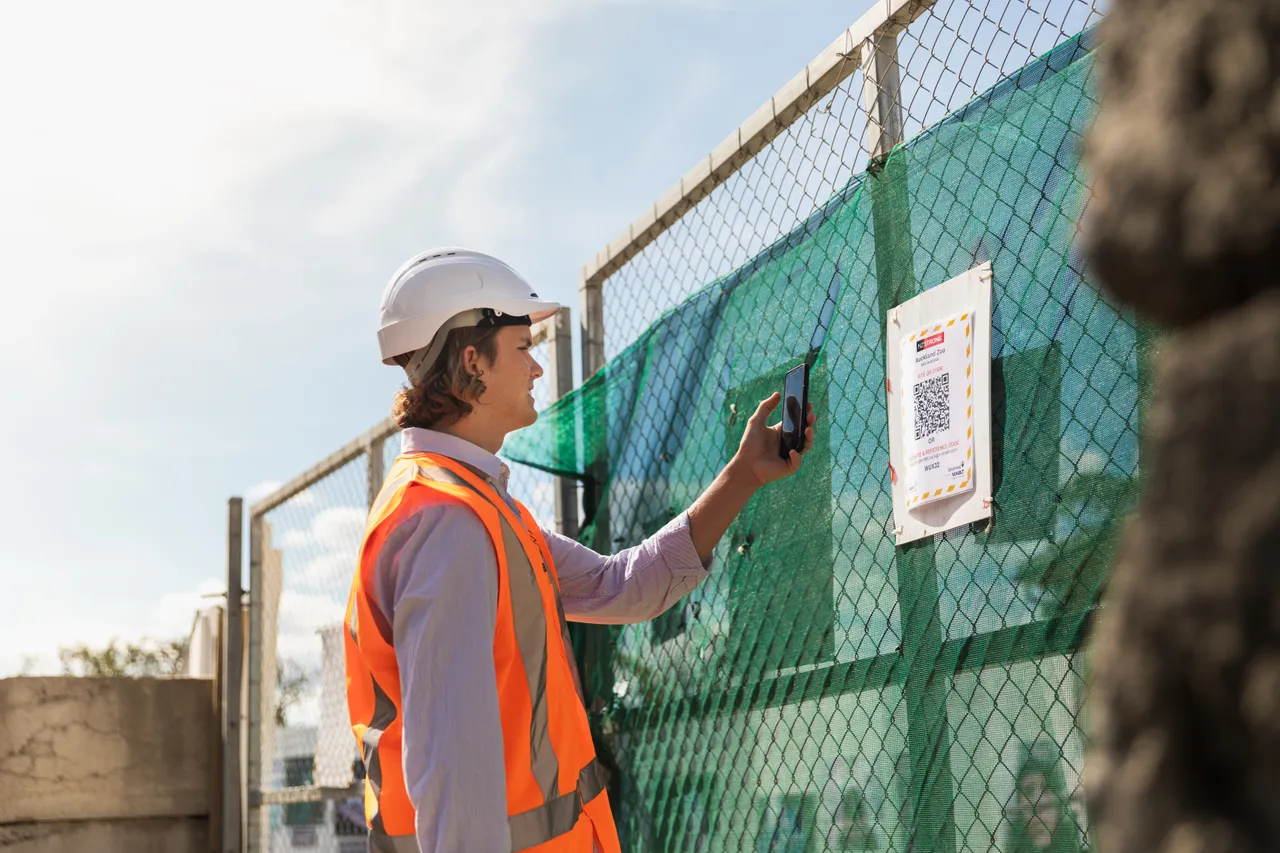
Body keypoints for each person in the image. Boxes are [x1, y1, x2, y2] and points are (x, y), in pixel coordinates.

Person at [344, 248, 816, 853]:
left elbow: (624, 587)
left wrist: (743, 475)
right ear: (473, 362)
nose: (537, 368)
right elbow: (453, 780)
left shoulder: (482, 512)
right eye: (522, 348)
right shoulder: (446, 523)